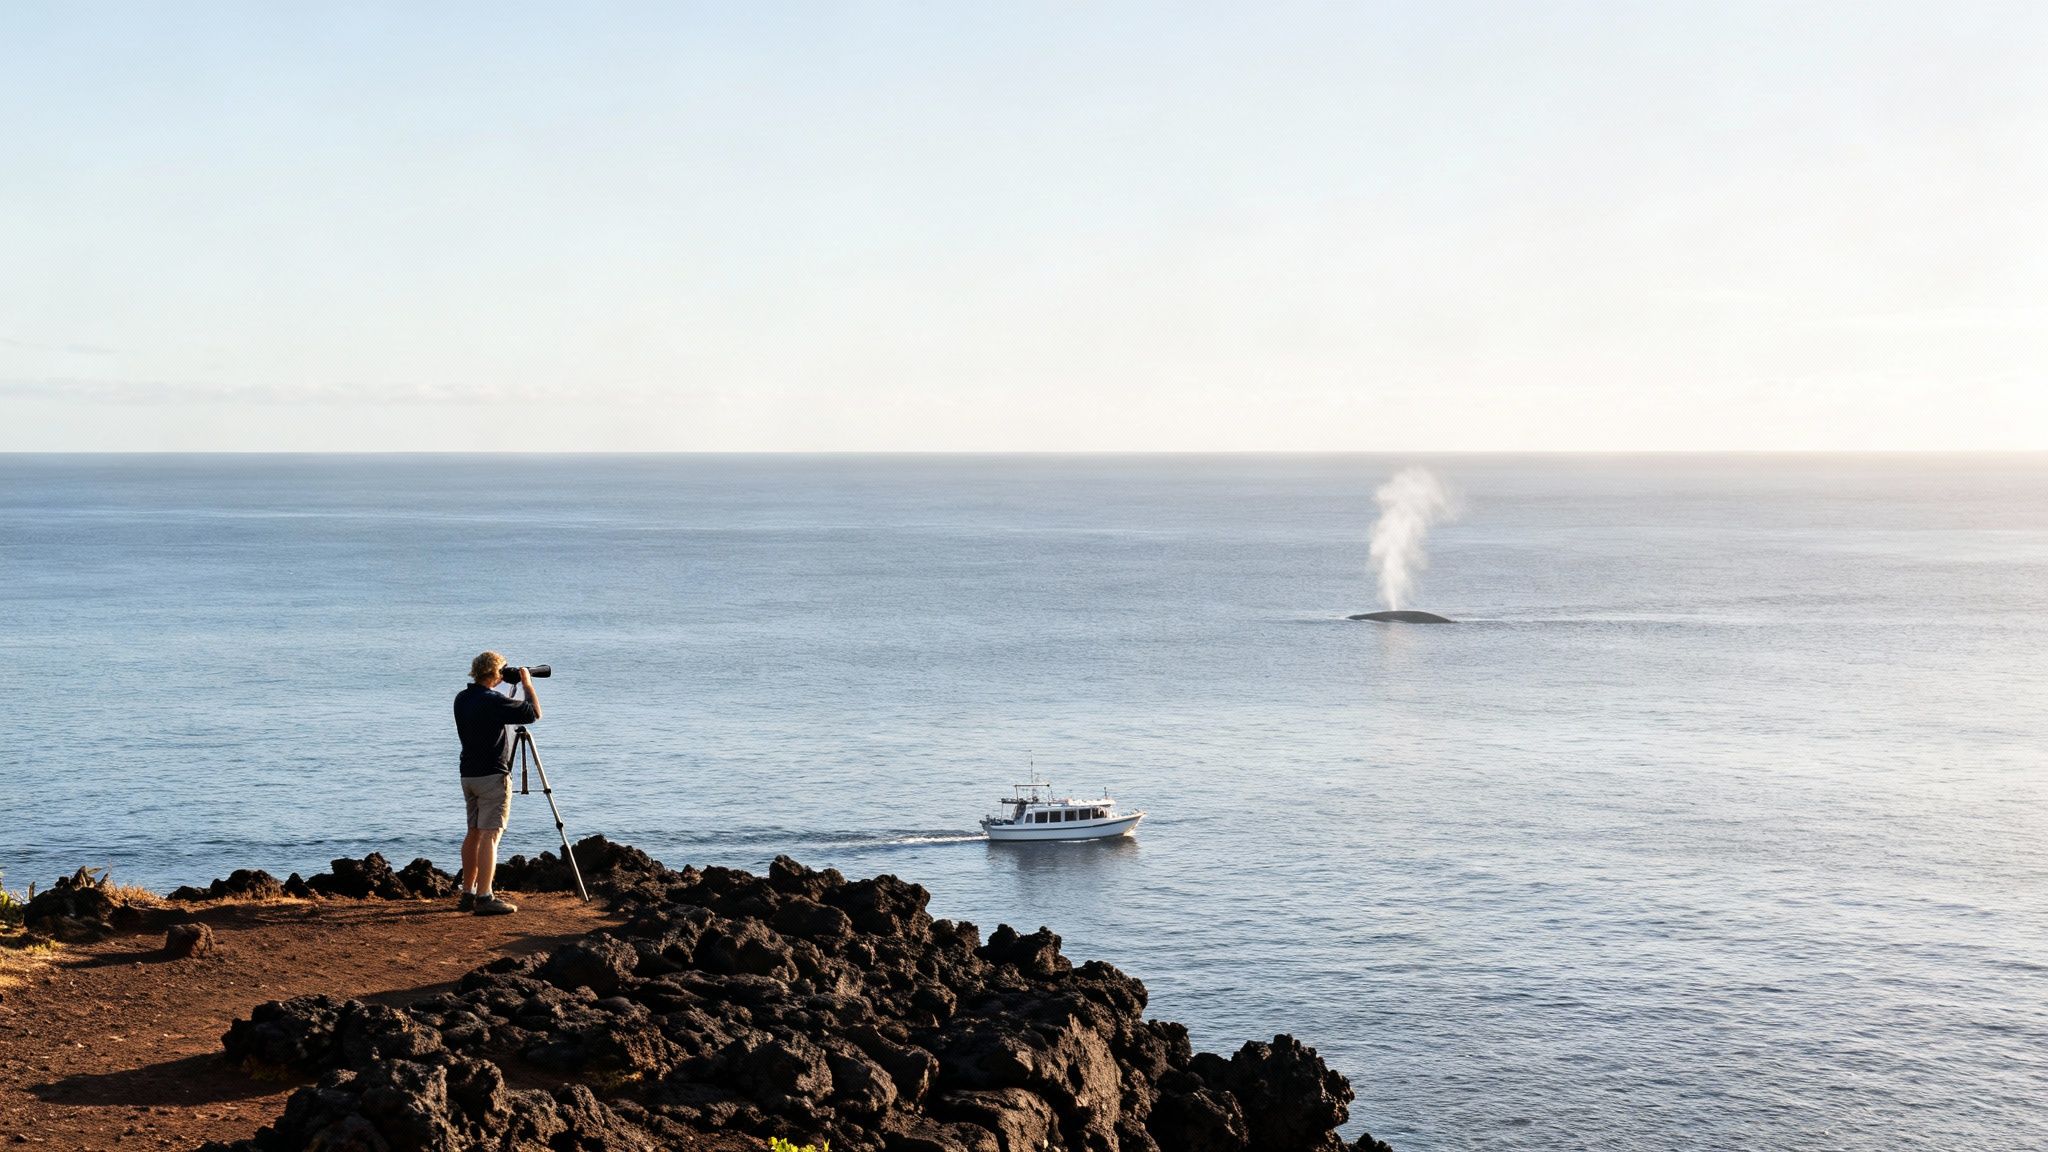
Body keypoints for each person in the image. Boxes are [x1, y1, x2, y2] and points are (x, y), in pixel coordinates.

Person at [453, 651, 540, 915]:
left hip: (469, 774)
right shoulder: (493, 700)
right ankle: (485, 896)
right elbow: (533, 713)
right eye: (502, 671)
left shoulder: (462, 698)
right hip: (493, 775)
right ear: (494, 674)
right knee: (491, 835)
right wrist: (526, 682)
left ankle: (467, 893)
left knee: (474, 832)